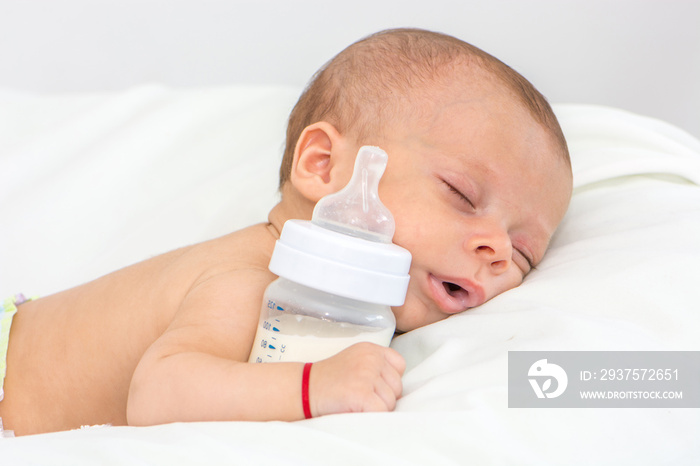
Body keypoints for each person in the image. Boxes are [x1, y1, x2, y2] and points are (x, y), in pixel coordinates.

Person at [0, 28, 572, 436]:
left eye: (523, 253)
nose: (495, 249)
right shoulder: (253, 280)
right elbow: (158, 393)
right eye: (462, 195)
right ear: (323, 167)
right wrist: (314, 386)